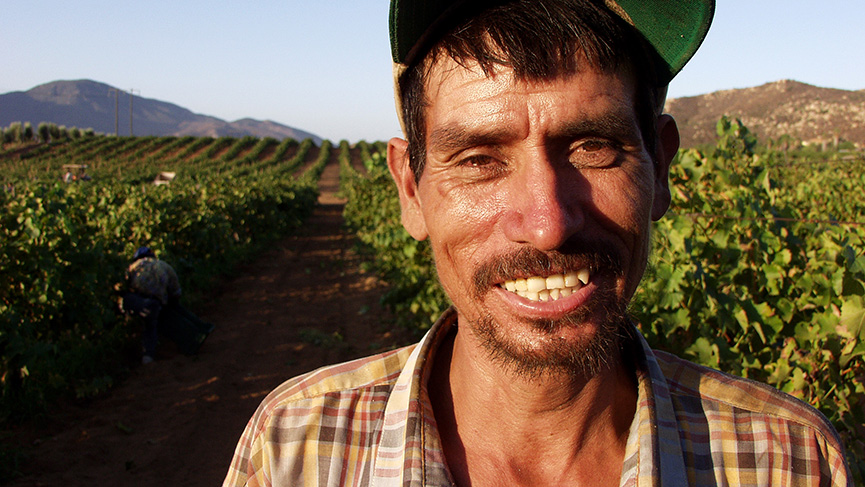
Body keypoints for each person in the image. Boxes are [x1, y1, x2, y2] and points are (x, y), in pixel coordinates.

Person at [224, 1, 851, 485]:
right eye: (478, 160)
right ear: (411, 191)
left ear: (659, 171)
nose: (548, 223)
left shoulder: (788, 462)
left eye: (594, 149)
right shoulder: (291, 450)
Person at [122, 246, 182, 364]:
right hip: (154, 304)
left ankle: (126, 336)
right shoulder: (164, 266)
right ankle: (147, 357)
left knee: (127, 301)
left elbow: (122, 286)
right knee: (151, 326)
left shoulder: (133, 267)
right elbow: (176, 291)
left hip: (138, 302)